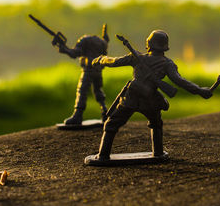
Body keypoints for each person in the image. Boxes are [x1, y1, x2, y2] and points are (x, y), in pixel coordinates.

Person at [89, 30, 213, 161]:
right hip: (150, 99)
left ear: (149, 44)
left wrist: (100, 59)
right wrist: (200, 90)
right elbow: (180, 81)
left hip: (131, 97)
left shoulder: (137, 58)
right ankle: (158, 153)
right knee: (156, 123)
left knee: (111, 125)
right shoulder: (167, 63)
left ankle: (103, 155)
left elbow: (113, 61)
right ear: (165, 46)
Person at [56, 25, 109, 124]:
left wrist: (64, 50)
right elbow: (105, 52)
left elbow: (75, 53)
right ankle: (105, 112)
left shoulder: (84, 40)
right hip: (98, 70)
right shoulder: (101, 42)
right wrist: (105, 39)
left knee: (82, 91)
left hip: (88, 70)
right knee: (98, 90)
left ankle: (78, 115)